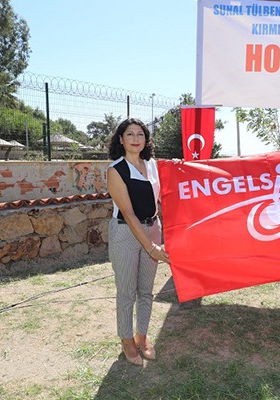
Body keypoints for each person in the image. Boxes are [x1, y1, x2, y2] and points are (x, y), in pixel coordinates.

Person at [107, 118, 170, 366]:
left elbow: (166, 196)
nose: (135, 138)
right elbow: (129, 214)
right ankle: (126, 340)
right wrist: (151, 247)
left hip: (152, 228)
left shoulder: (153, 165)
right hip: (125, 233)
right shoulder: (116, 170)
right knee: (126, 292)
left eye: (140, 134)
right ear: (121, 140)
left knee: (146, 290)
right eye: (130, 134)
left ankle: (141, 336)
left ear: (146, 139)